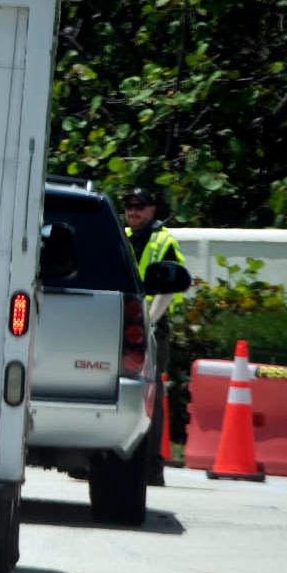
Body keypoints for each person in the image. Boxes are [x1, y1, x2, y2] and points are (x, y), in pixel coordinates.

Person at [121, 186, 188, 481]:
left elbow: (169, 286)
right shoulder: (122, 236)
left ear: (152, 210)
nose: (133, 211)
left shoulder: (164, 241)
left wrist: (148, 320)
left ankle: (150, 464)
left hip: (151, 329)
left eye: (140, 205)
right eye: (129, 205)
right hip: (119, 325)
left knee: (149, 394)